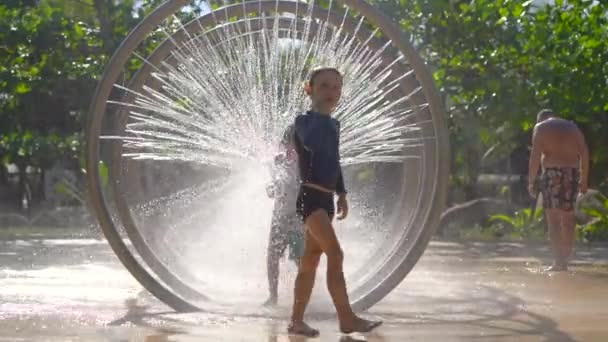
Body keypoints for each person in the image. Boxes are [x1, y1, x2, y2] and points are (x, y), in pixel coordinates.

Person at [287, 67, 382, 337]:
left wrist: (342, 193)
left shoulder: (334, 124)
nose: (331, 92)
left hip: (326, 199)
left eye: (336, 88)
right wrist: (320, 116)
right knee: (336, 254)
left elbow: (334, 161)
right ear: (310, 90)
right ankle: (347, 318)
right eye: (324, 86)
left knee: (310, 262)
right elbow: (312, 142)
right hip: (310, 198)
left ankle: (296, 321)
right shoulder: (304, 122)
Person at [528, 109, 589, 271]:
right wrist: (584, 180)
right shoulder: (573, 127)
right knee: (568, 219)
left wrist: (531, 181)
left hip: (552, 173)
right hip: (571, 173)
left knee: (553, 220)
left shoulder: (540, 127)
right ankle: (565, 260)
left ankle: (558, 262)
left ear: (540, 119)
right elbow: (584, 153)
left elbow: (535, 156)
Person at [264, 125, 304, 307]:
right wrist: (271, 188)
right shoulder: (277, 161)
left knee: (298, 259)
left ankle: (303, 299)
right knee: (272, 257)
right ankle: (273, 297)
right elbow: (272, 188)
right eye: (289, 143)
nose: (291, 148)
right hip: (280, 217)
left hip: (298, 219)